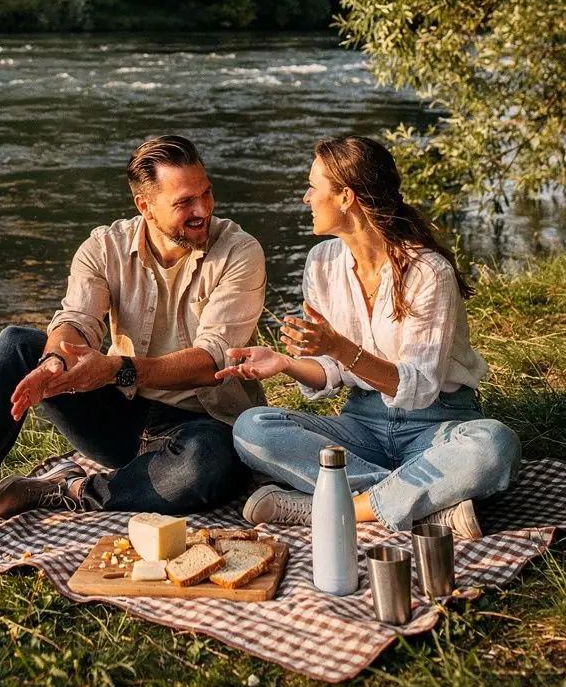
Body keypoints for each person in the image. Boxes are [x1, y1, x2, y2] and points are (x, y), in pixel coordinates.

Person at [0, 134, 267, 570]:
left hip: (205, 427)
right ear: (144, 206)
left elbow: (212, 361)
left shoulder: (240, 252)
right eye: (185, 202)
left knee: (207, 468)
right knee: (17, 344)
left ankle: (64, 491)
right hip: (124, 421)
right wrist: (56, 362)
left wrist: (115, 370)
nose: (203, 210)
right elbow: (75, 321)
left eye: (206, 193)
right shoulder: (103, 248)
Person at [217, 135, 521, 539]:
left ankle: (332, 508)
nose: (306, 198)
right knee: (252, 428)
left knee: (494, 447)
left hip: (437, 425)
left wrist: (338, 346)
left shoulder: (429, 273)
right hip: (362, 425)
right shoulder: (321, 263)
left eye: (313, 186)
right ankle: (424, 506)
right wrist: (286, 364)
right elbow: (333, 371)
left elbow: (420, 388)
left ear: (345, 197)